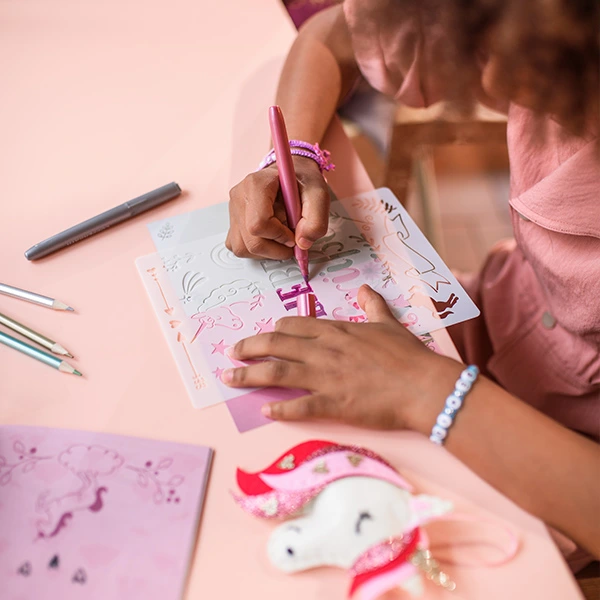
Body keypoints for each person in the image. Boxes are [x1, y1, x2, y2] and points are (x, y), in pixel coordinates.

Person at [223, 0, 600, 564]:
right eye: (483, 41)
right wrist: (296, 156)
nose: (493, 82)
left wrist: (430, 392)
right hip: (496, 315)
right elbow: (334, 37)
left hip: (558, 464)